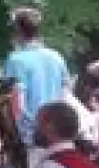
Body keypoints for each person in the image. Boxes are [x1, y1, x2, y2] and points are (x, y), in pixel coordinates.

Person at [6, 7, 69, 140]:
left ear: (17, 30)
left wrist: (17, 134)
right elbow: (65, 96)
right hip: (57, 132)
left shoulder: (15, 60)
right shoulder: (57, 57)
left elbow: (18, 104)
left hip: (32, 134)